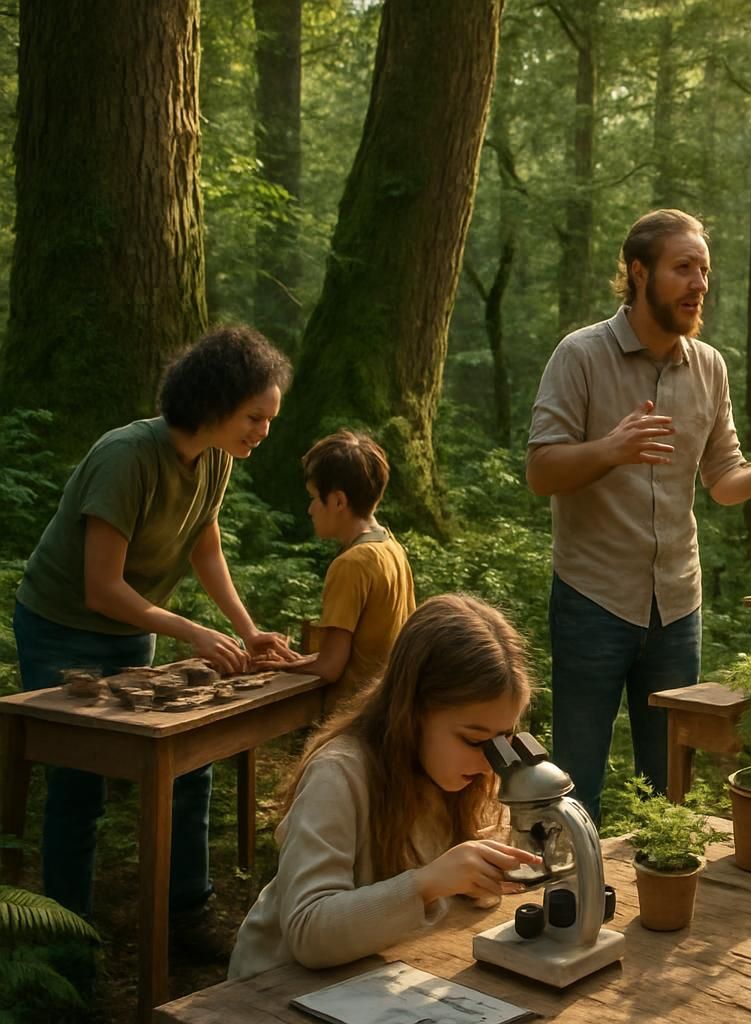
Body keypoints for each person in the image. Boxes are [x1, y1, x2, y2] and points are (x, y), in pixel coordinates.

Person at [525, 209, 751, 824]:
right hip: (592, 598)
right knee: (576, 777)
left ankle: (660, 909)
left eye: (705, 271)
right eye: (683, 268)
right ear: (639, 273)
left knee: (669, 784)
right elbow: (541, 471)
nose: (700, 284)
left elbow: (721, 481)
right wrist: (610, 449)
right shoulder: (580, 355)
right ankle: (569, 897)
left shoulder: (710, 367)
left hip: (677, 607)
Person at [11, 325, 298, 956]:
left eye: (268, 419)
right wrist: (191, 630)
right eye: (256, 416)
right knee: (78, 785)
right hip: (61, 629)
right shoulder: (125, 456)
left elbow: (206, 547)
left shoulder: (217, 458)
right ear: (218, 402)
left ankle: (185, 915)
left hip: (129, 632)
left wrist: (249, 632)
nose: (263, 431)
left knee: (187, 763)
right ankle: (64, 943)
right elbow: (101, 588)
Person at [228, 594, 542, 979]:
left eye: (503, 738)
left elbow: (476, 901)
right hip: (275, 991)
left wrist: (482, 885)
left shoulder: (479, 774)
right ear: (411, 714)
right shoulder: (339, 775)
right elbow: (308, 933)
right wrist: (427, 885)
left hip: (388, 979)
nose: (489, 762)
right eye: (474, 741)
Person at [295, 430, 417, 708]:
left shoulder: (351, 565)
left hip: (354, 716)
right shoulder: (391, 547)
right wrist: (296, 660)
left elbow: (330, 667)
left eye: (314, 497)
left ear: (338, 501)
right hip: (386, 707)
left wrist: (276, 668)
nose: (310, 509)